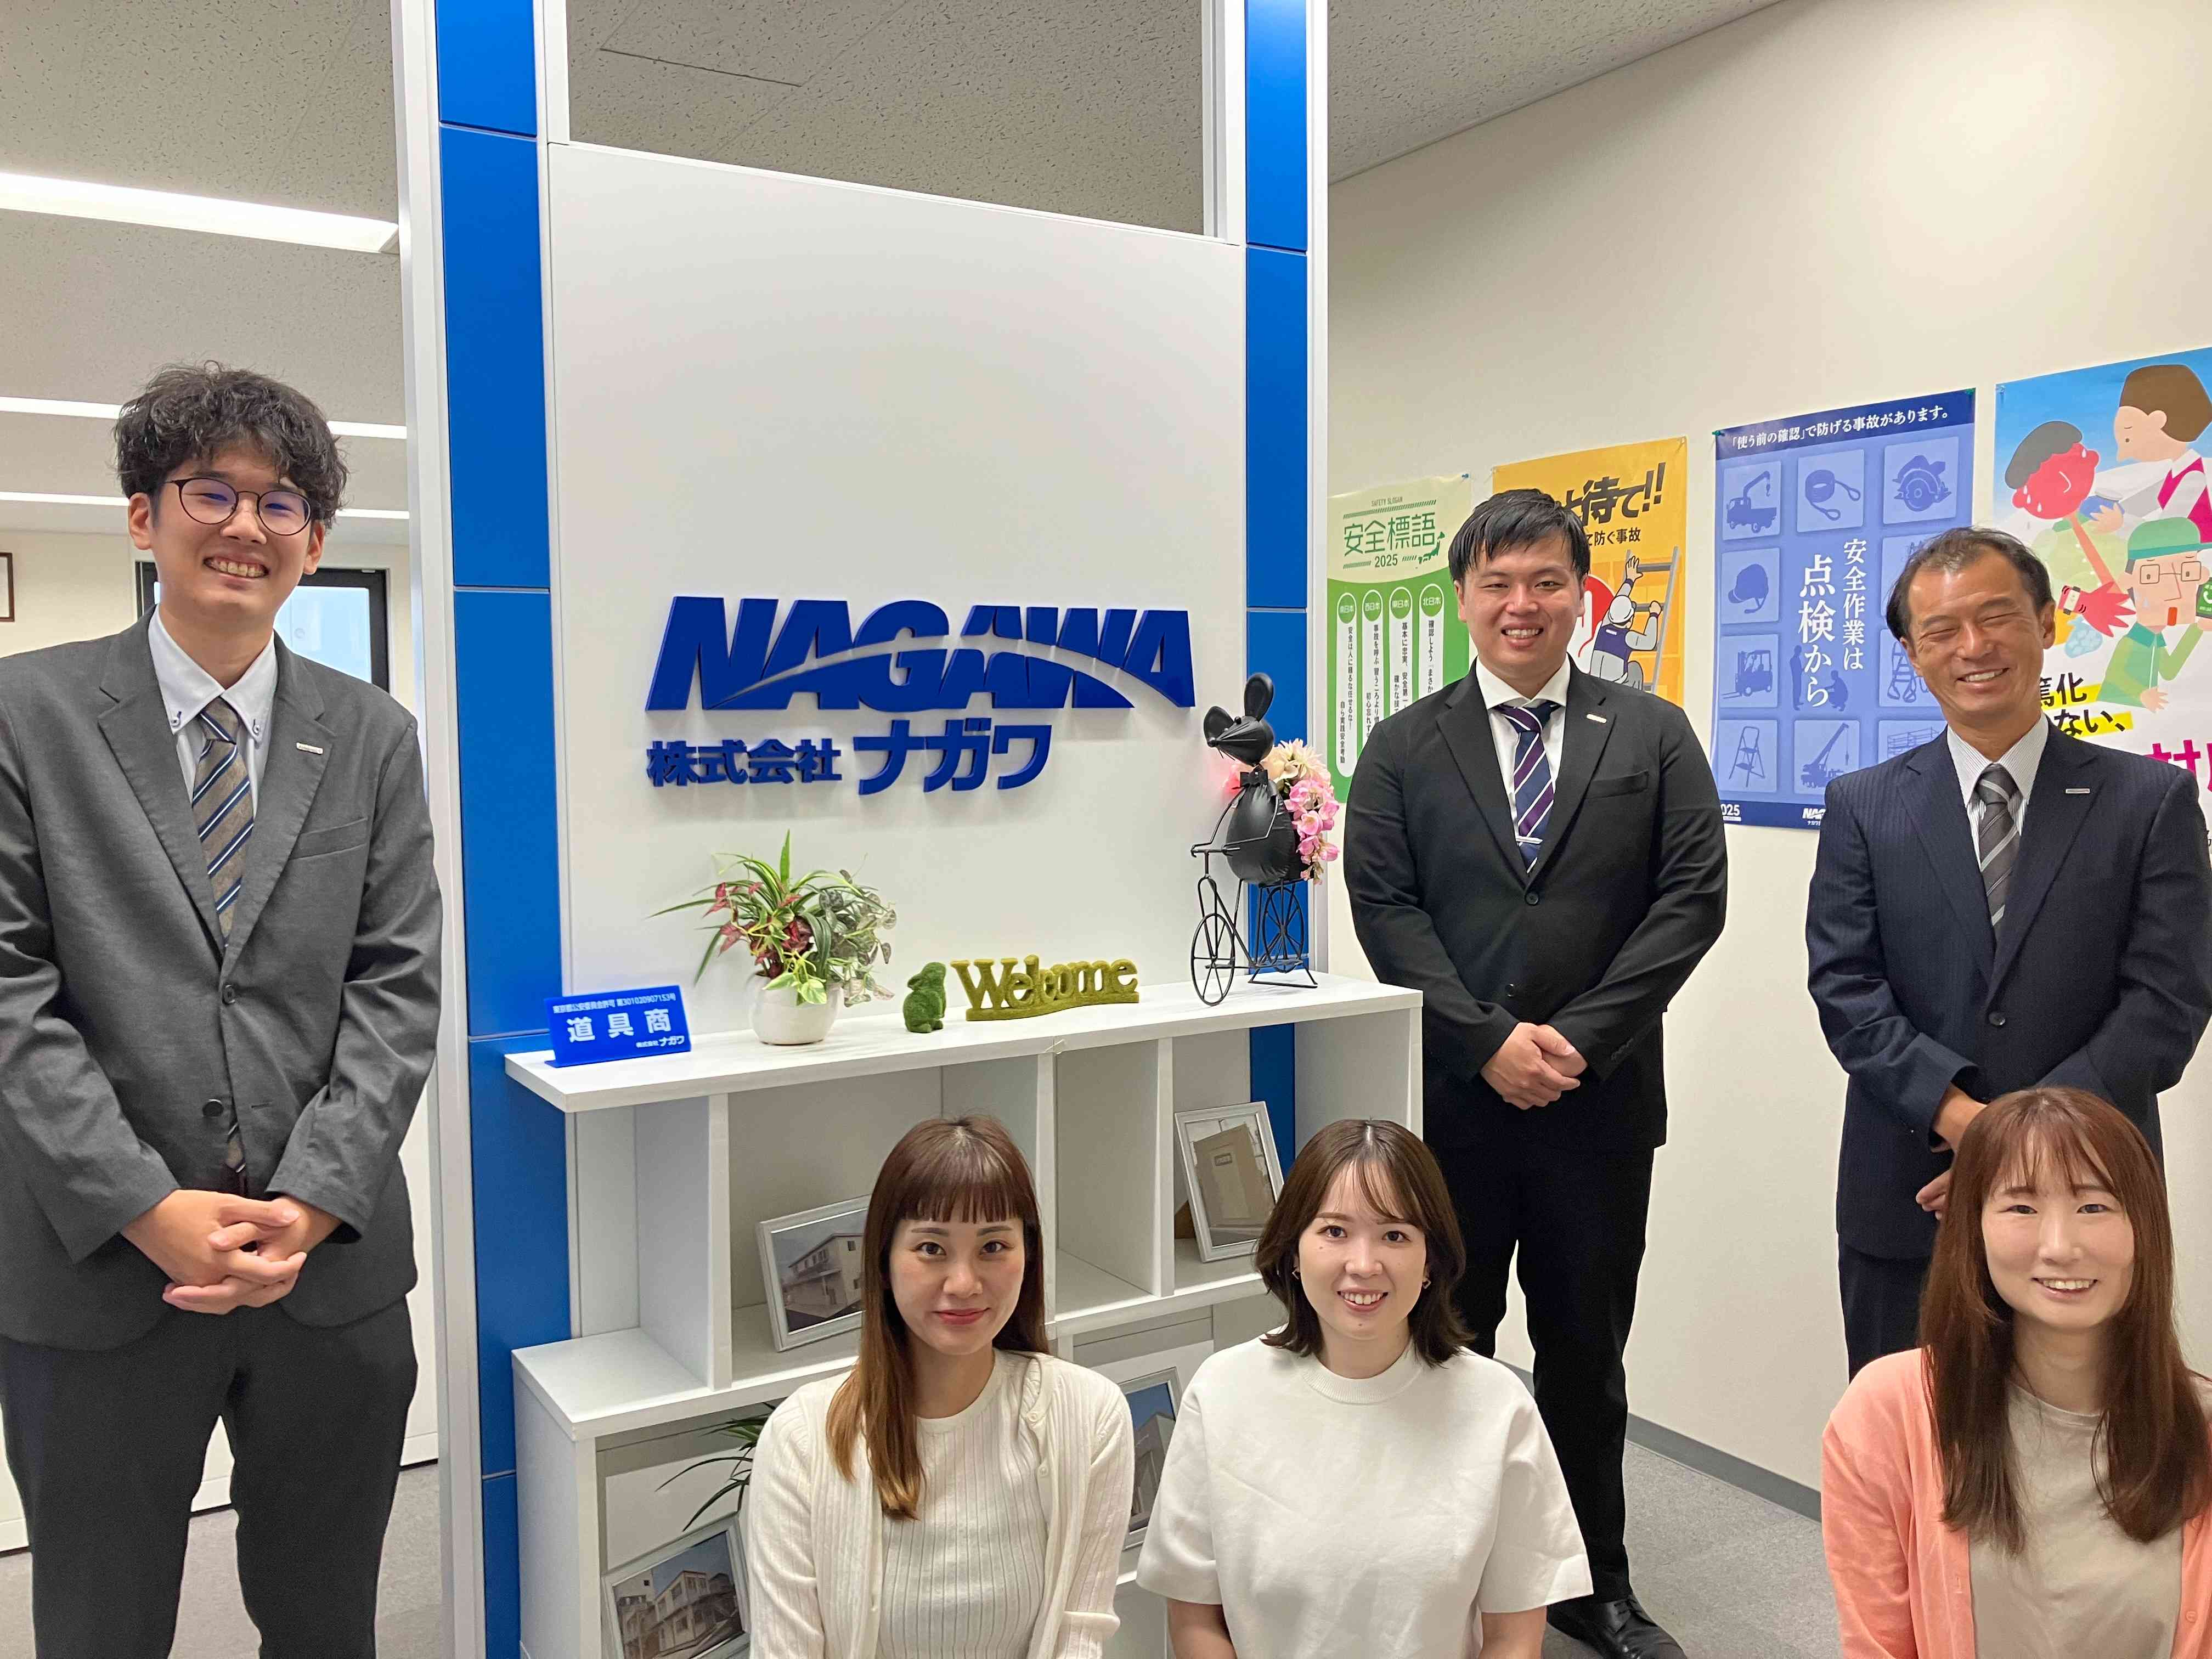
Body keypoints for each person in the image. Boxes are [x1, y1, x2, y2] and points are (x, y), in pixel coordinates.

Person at [0, 362, 442, 1657]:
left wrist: (310, 1197)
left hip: (329, 1270)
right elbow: (12, 992)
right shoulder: (27, 715)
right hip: (98, 1272)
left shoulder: (371, 734)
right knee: (101, 1623)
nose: (248, 525)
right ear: (145, 516)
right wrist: (148, 1207)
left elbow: (397, 983)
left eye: (282, 502)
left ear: (315, 540)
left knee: (326, 1618)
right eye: (212, 492)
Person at [1344, 487, 1727, 1659]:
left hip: (1598, 1109)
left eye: (1546, 581)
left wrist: (1579, 1041)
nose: (1523, 604)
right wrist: (1485, 1040)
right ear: (1463, 597)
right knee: (1443, 1343)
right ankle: (1445, 1577)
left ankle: (1591, 1584)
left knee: (1585, 1355)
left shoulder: (1650, 732)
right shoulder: (1404, 744)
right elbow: (1386, 909)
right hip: (1455, 1110)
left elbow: (1691, 899)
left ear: (1580, 595)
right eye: (1498, 582)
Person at [1807, 526, 2212, 1379]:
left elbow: (2168, 999)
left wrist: (2023, 1149)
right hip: (1908, 1191)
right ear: (1913, 653)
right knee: (1910, 1431)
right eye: (1942, 630)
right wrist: (1968, 1123)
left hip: (2091, 1192)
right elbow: (1847, 989)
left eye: (1997, 617)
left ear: (2047, 622)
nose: (1973, 647)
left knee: (2086, 1433)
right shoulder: (1863, 805)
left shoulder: (2150, 800)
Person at [1137, 1119, 1589, 1659]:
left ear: (1430, 1260)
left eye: (1395, 1235)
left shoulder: (1497, 1405)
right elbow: (1195, 1621)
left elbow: (1514, 1638)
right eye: (1335, 1232)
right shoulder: (1222, 1393)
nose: (1363, 1265)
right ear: (1294, 1252)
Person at [1821, 1087, 2212, 1657]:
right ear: (1973, 1229)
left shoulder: (2201, 1429)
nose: (2060, 1247)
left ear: (2144, 1230)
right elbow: (1877, 1645)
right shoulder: (1888, 1413)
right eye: (2022, 1208)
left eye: (2093, 1207)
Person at [746, 1115, 1134, 1658]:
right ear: (883, 1263)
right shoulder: (802, 1439)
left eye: (993, 1246)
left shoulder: (1090, 1415)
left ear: (1028, 1257)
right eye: (931, 1248)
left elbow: (1080, 1634)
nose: (964, 1283)